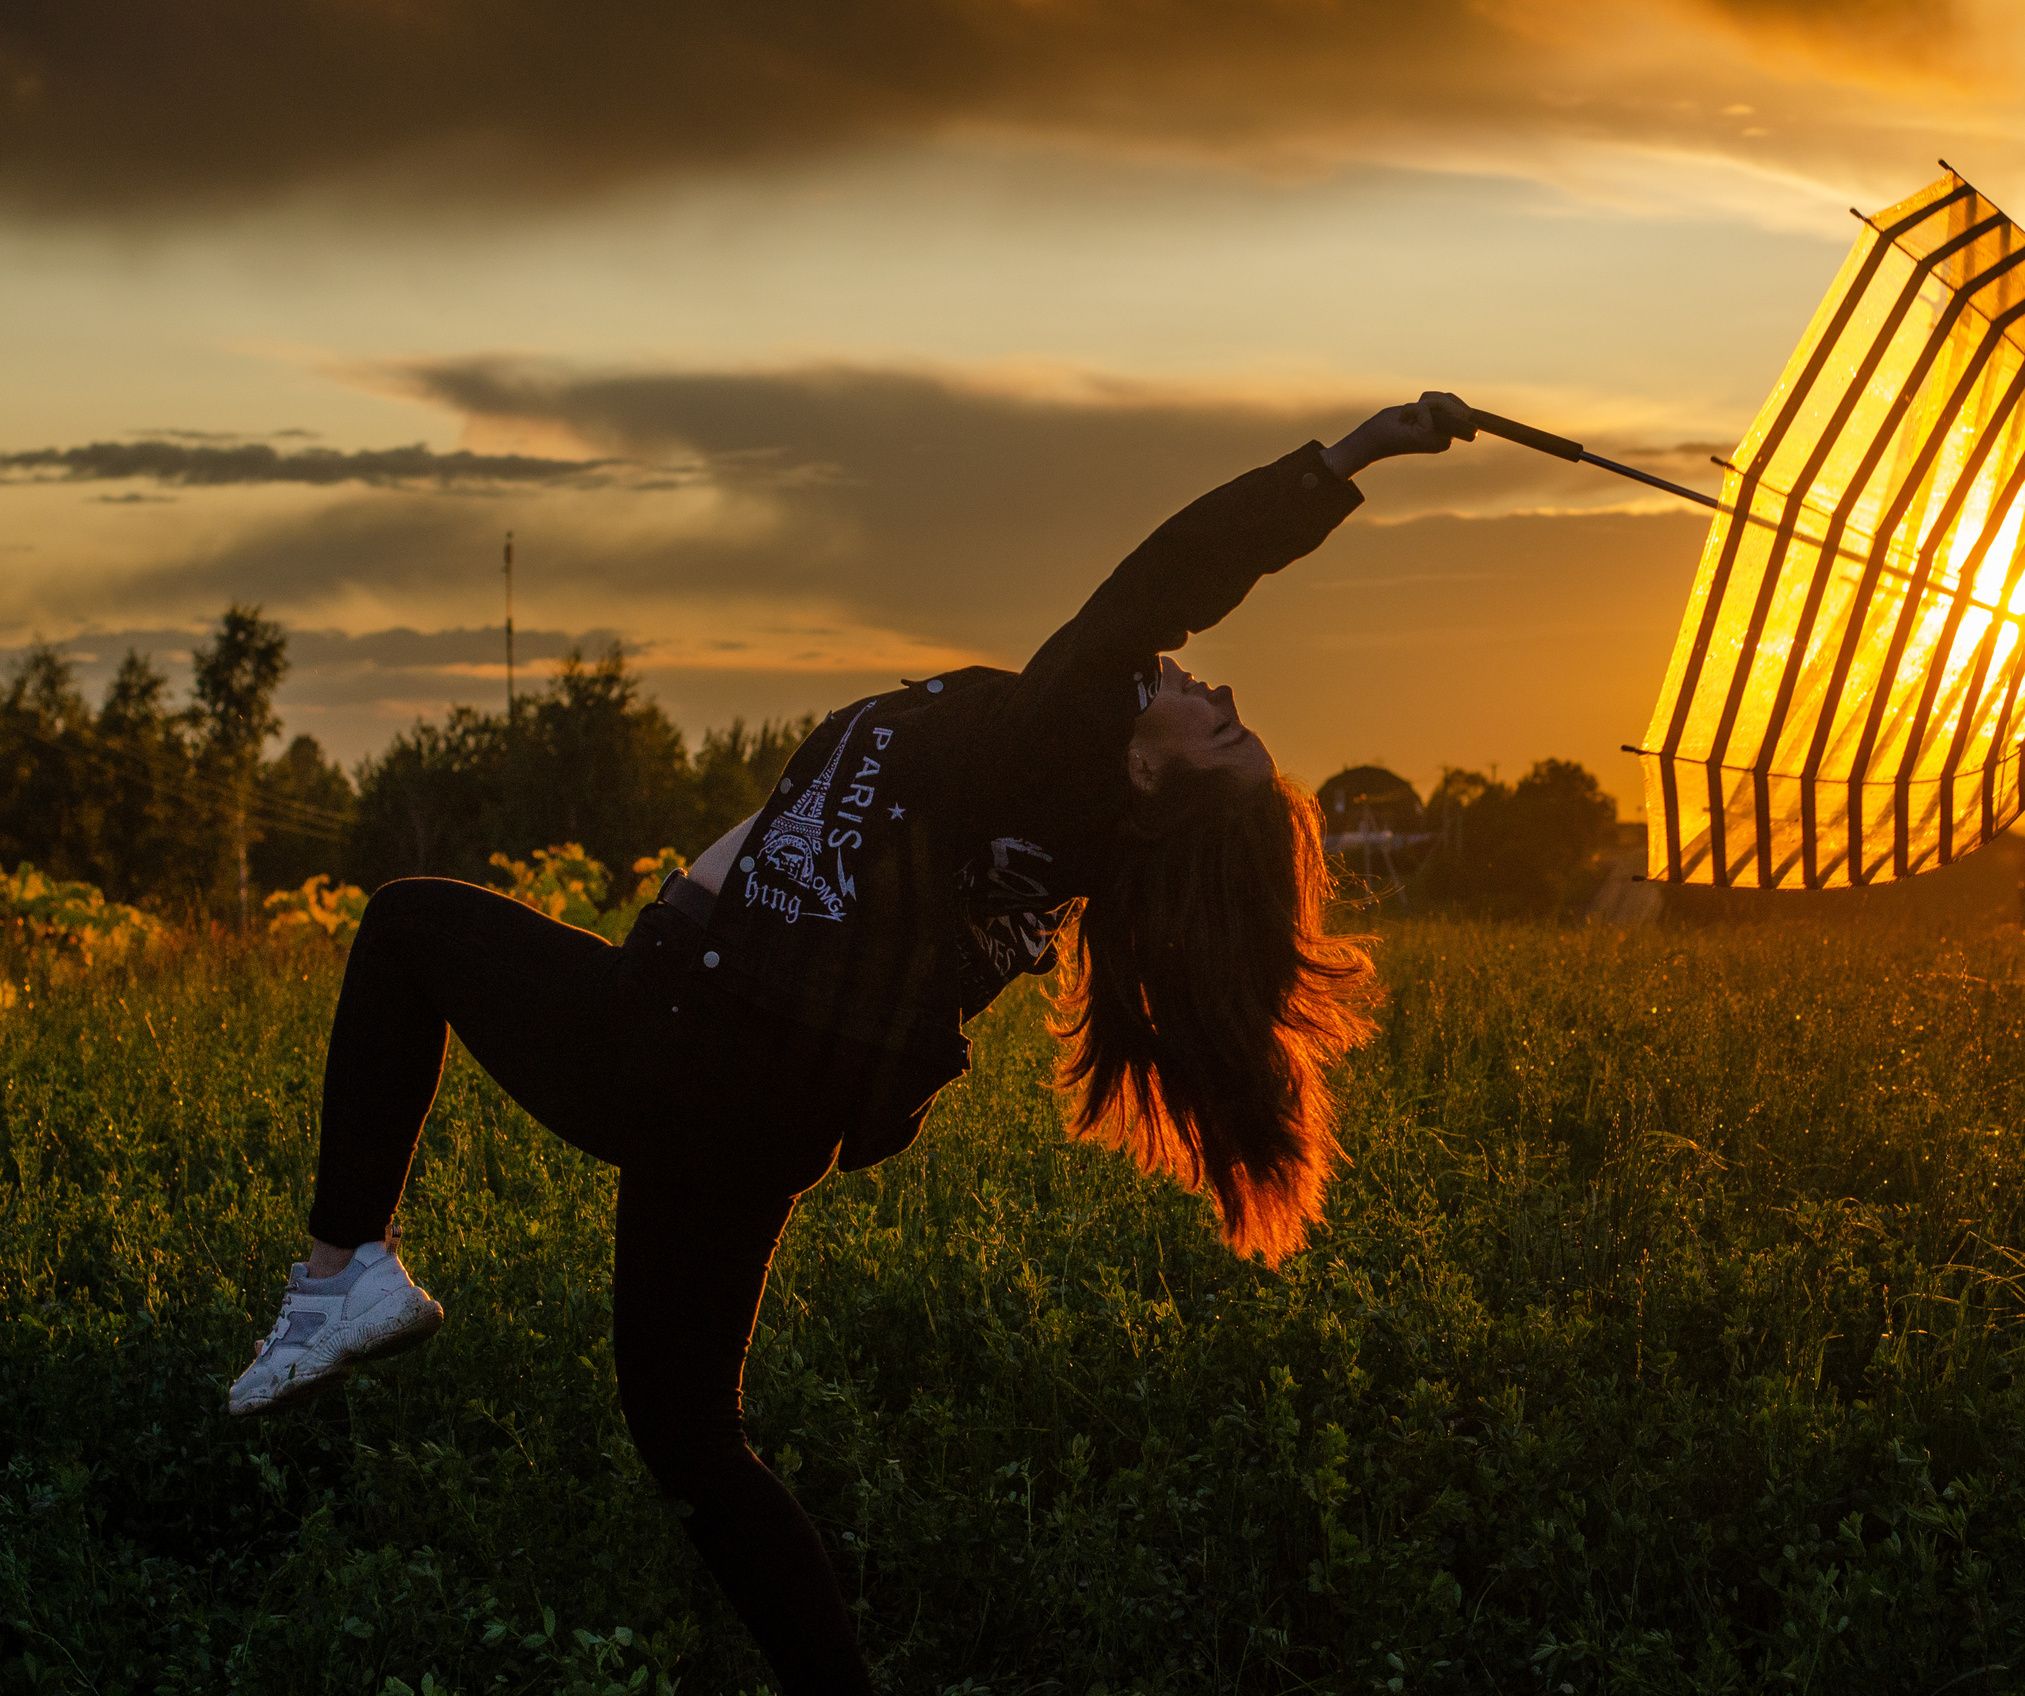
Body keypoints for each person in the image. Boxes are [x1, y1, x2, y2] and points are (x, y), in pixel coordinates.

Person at [225, 393, 1480, 1695]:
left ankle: (338, 1275)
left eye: (1216, 727)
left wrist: (1349, 458)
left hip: (687, 1043)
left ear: (1152, 783)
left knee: (408, 928)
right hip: (744, 1098)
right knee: (689, 1440)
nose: (1211, 687)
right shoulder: (1049, 830)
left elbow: (1159, 582)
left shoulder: (1054, 758)